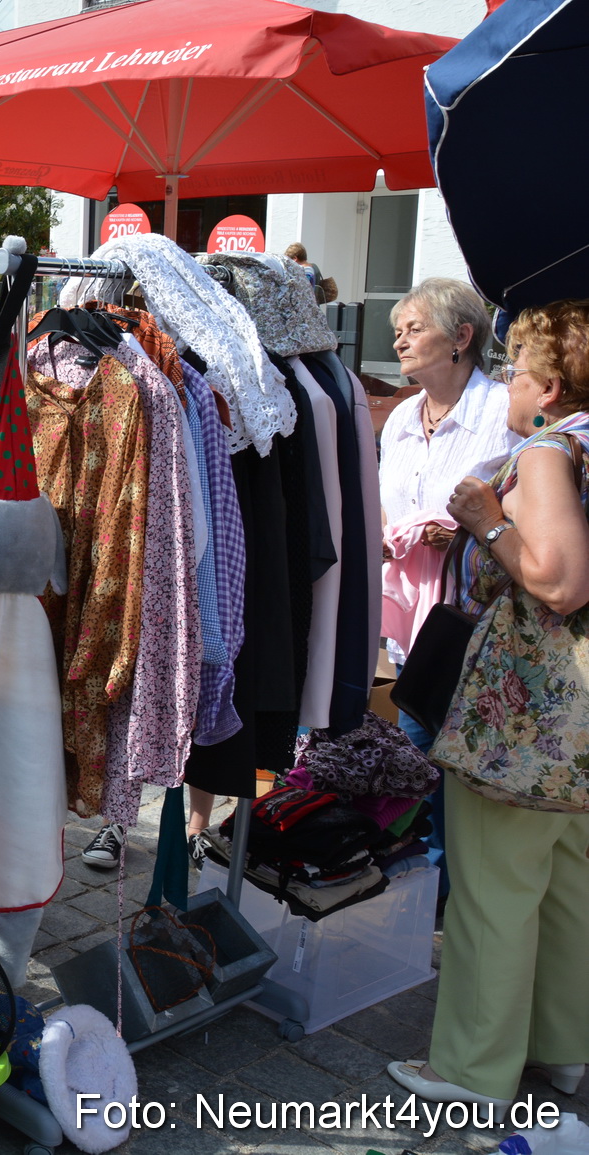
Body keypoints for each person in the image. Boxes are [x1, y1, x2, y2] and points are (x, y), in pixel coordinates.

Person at [386, 299, 589, 1109]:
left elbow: (562, 581)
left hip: (526, 708)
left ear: (547, 385)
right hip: (574, 716)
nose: (503, 383)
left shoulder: (546, 449)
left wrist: (487, 522)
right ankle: (565, 1047)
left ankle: (473, 1069)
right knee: (568, 881)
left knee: (493, 888)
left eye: (514, 369)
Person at [379, 279, 522, 896]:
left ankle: (441, 885)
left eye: (414, 329)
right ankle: (430, 886)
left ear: (462, 337)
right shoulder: (403, 418)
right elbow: (389, 506)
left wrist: (467, 530)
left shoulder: (501, 411)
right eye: (398, 330)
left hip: (473, 616)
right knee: (417, 748)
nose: (399, 340)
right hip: (409, 617)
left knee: (440, 753)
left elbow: (521, 505)